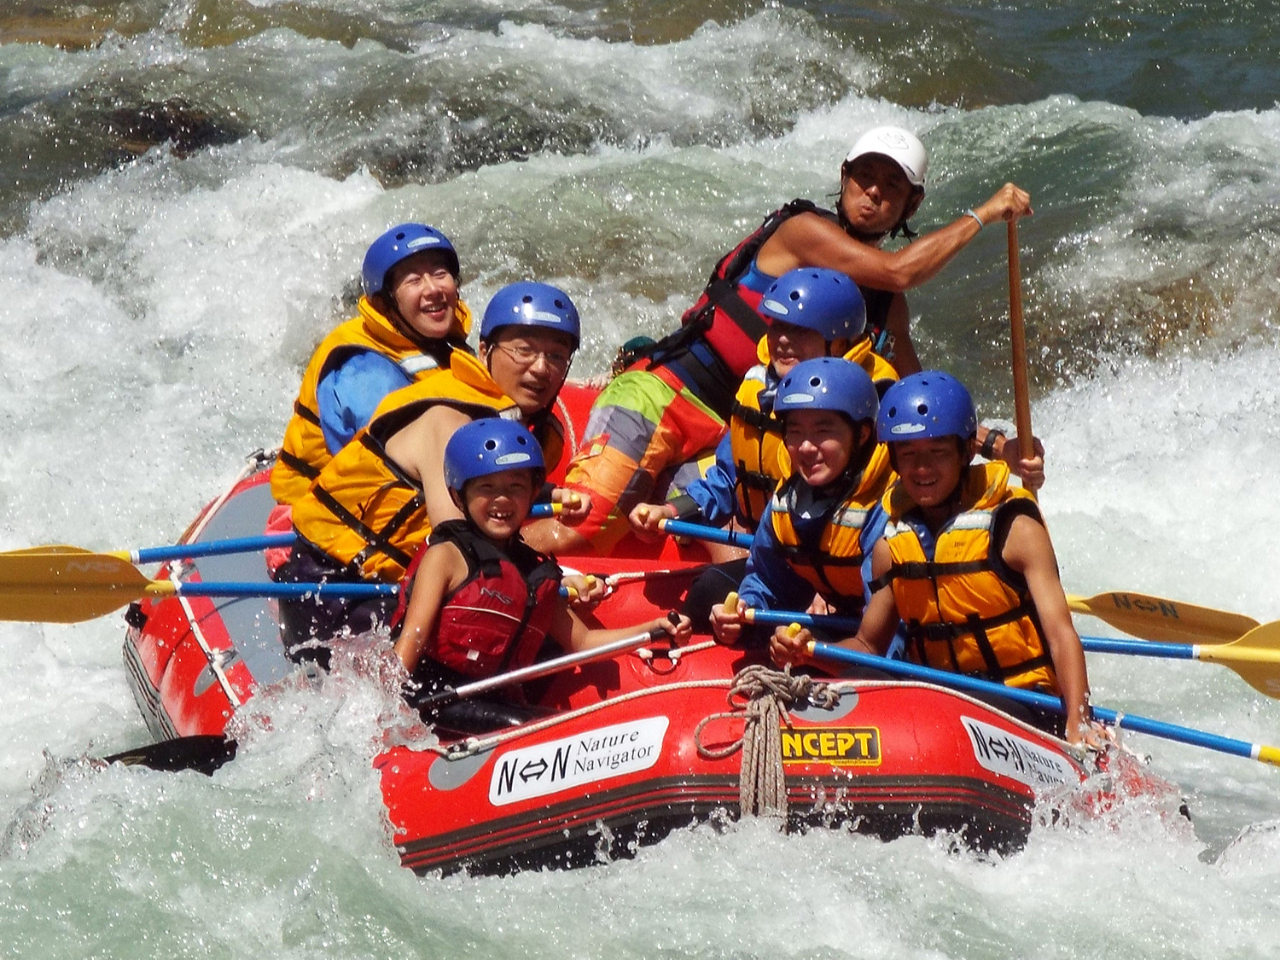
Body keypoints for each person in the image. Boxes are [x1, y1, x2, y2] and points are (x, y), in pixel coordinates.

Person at [537, 125, 1036, 555]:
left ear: (913, 202)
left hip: (735, 438)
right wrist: (984, 214)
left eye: (892, 184)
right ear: (844, 177)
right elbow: (901, 269)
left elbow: (914, 399)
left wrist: (998, 446)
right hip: (667, 393)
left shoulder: (884, 306)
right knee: (578, 532)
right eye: (865, 177)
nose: (874, 193)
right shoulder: (804, 232)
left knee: (738, 538)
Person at [770, 371, 1097, 745]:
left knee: (951, 712)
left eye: (937, 453)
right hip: (937, 701)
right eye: (908, 456)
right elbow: (867, 647)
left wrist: (1079, 720)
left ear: (965, 453)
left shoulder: (1016, 529)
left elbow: (1060, 634)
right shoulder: (892, 545)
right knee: (854, 690)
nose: (922, 469)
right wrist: (811, 651)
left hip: (1021, 702)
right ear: (893, 460)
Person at [276, 281, 588, 660]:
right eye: (524, 351)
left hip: (397, 580)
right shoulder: (451, 418)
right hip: (336, 590)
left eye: (556, 356)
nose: (540, 369)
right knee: (501, 623)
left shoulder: (521, 427)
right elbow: (460, 546)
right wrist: (547, 585)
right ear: (485, 350)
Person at [391, 418, 692, 734]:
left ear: (534, 493)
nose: (502, 500)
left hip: (494, 701)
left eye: (516, 487)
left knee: (569, 726)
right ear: (459, 497)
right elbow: (413, 637)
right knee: (543, 730)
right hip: (432, 698)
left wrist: (652, 631)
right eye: (486, 488)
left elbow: (584, 641)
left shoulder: (534, 572)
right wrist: (389, 711)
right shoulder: (447, 556)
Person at [627, 268, 895, 621]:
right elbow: (727, 477)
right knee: (710, 591)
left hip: (854, 575)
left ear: (840, 342)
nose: (782, 341)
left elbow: (889, 520)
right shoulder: (759, 388)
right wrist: (672, 511)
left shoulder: (873, 408)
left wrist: (826, 588)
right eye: (777, 327)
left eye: (800, 330)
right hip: (782, 552)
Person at [271, 223, 473, 506]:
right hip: (330, 518)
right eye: (413, 280)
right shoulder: (366, 371)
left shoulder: (441, 342)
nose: (433, 289)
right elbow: (399, 468)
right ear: (385, 303)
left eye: (440, 274)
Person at [710, 357, 893, 649]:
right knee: (708, 591)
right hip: (840, 624)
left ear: (862, 435)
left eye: (823, 431)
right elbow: (765, 581)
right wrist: (744, 611)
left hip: (884, 643)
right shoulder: (788, 499)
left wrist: (815, 653)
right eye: (795, 431)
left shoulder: (888, 509)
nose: (806, 447)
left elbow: (884, 640)